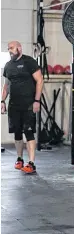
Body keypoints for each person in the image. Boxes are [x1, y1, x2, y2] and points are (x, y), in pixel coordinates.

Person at [1, 41, 43, 174]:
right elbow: (6, 86)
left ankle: (31, 163)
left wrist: (37, 100)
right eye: (8, 49)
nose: (10, 51)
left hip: (28, 104)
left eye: (12, 48)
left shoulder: (29, 62)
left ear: (19, 48)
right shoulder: (8, 66)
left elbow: (40, 80)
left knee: (28, 132)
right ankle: (19, 159)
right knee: (17, 133)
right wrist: (2, 101)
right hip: (14, 105)